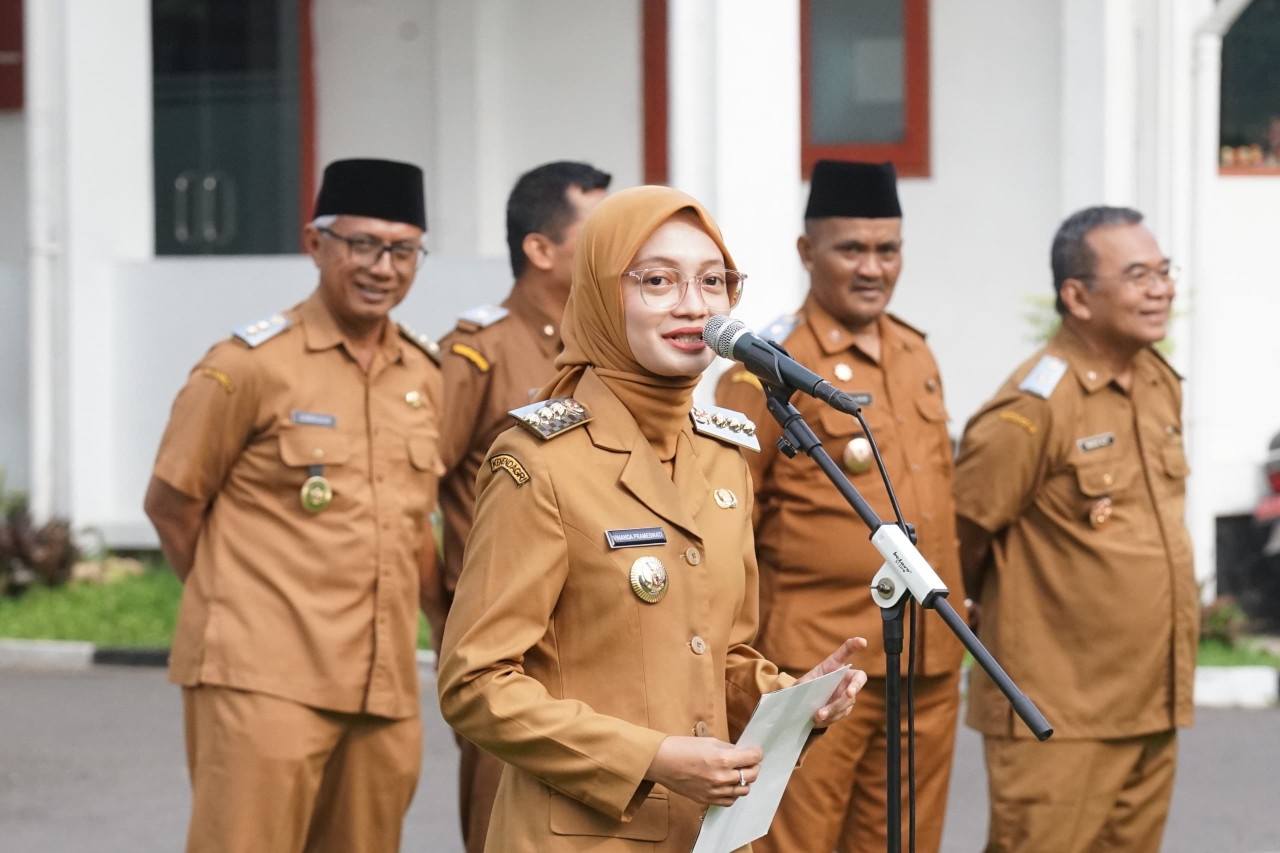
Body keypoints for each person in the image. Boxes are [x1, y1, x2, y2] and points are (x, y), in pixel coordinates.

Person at [437, 185, 869, 852]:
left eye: (713, 281)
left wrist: (789, 699)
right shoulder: (538, 462)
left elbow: (719, 653)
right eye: (659, 281)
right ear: (603, 296)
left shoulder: (722, 455)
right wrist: (650, 757)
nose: (694, 305)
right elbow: (475, 684)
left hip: (704, 834)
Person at [143, 158, 443, 853]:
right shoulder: (249, 365)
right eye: (363, 244)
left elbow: (413, 521)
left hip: (384, 686)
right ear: (315, 244)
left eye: (403, 250)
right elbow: (172, 504)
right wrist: (235, 604)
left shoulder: (424, 375)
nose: (382, 267)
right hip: (262, 680)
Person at [715, 159, 965, 853]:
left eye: (888, 249)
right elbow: (725, 524)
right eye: (851, 248)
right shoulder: (768, 367)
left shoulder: (916, 354)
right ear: (807, 251)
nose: (872, 267)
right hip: (814, 668)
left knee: (905, 842)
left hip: (923, 659)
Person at [953, 206, 1196, 853]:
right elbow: (961, 534)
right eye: (1138, 275)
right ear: (1078, 297)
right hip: (1056, 711)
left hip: (1149, 701)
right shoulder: (1034, 407)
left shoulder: (1156, 381)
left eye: (1163, 272)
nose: (1161, 289)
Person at [430, 160, 610, 853]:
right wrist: (446, 617)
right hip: (510, 657)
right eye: (597, 234)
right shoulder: (479, 353)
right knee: (503, 830)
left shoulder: (604, 352)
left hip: (596, 644)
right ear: (540, 248)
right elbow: (410, 491)